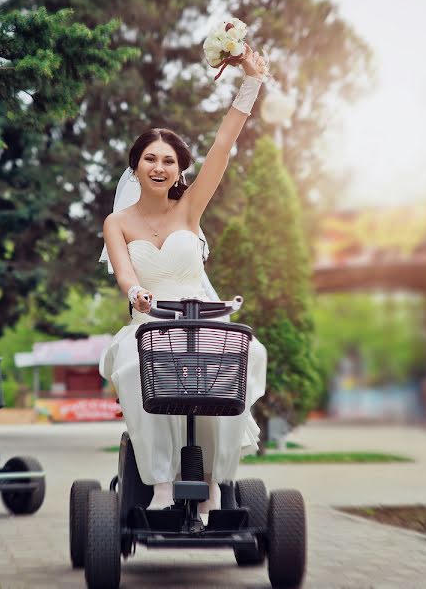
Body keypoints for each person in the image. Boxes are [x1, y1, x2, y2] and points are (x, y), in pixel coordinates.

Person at [99, 45, 269, 514]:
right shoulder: (117, 223)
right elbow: (125, 272)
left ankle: (216, 481)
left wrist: (250, 82)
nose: (159, 167)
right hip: (150, 324)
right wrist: (136, 293)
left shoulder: (190, 207)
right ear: (135, 166)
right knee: (135, 371)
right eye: (150, 158)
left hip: (201, 318)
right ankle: (158, 485)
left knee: (246, 356)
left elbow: (221, 145)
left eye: (169, 160)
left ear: (179, 169)